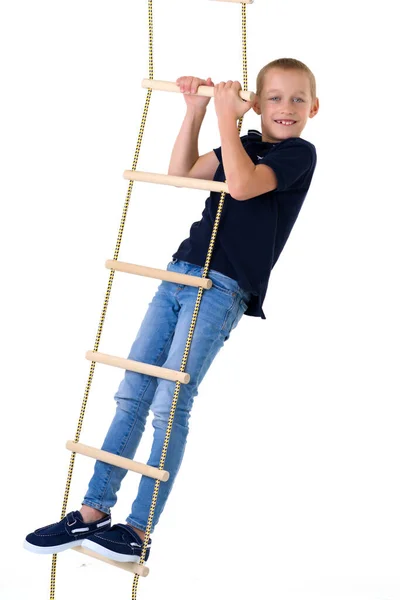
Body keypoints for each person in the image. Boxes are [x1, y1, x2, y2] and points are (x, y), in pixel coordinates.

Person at [24, 57, 319, 564]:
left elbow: (244, 186)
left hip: (223, 286)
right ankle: (94, 512)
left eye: (296, 99)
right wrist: (197, 110)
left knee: (170, 402)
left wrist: (229, 117)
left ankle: (138, 531)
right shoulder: (241, 143)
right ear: (258, 102)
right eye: (273, 97)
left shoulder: (298, 154)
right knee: (133, 390)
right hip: (178, 273)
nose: (285, 108)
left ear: (314, 107)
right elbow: (181, 174)